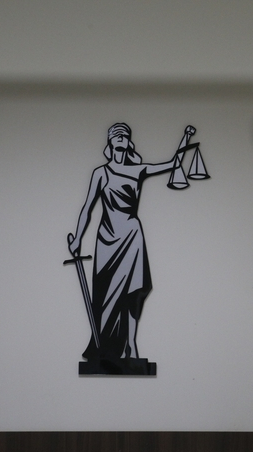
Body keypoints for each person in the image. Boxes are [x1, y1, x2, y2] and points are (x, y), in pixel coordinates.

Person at [68, 123, 193, 367]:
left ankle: (131, 345)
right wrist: (78, 238)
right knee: (104, 295)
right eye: (116, 136)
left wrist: (186, 139)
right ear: (110, 142)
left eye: (124, 136)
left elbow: (173, 164)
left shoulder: (138, 170)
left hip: (132, 235)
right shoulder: (101, 173)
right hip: (107, 240)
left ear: (128, 142)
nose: (120, 139)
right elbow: (87, 208)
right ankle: (103, 348)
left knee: (133, 292)